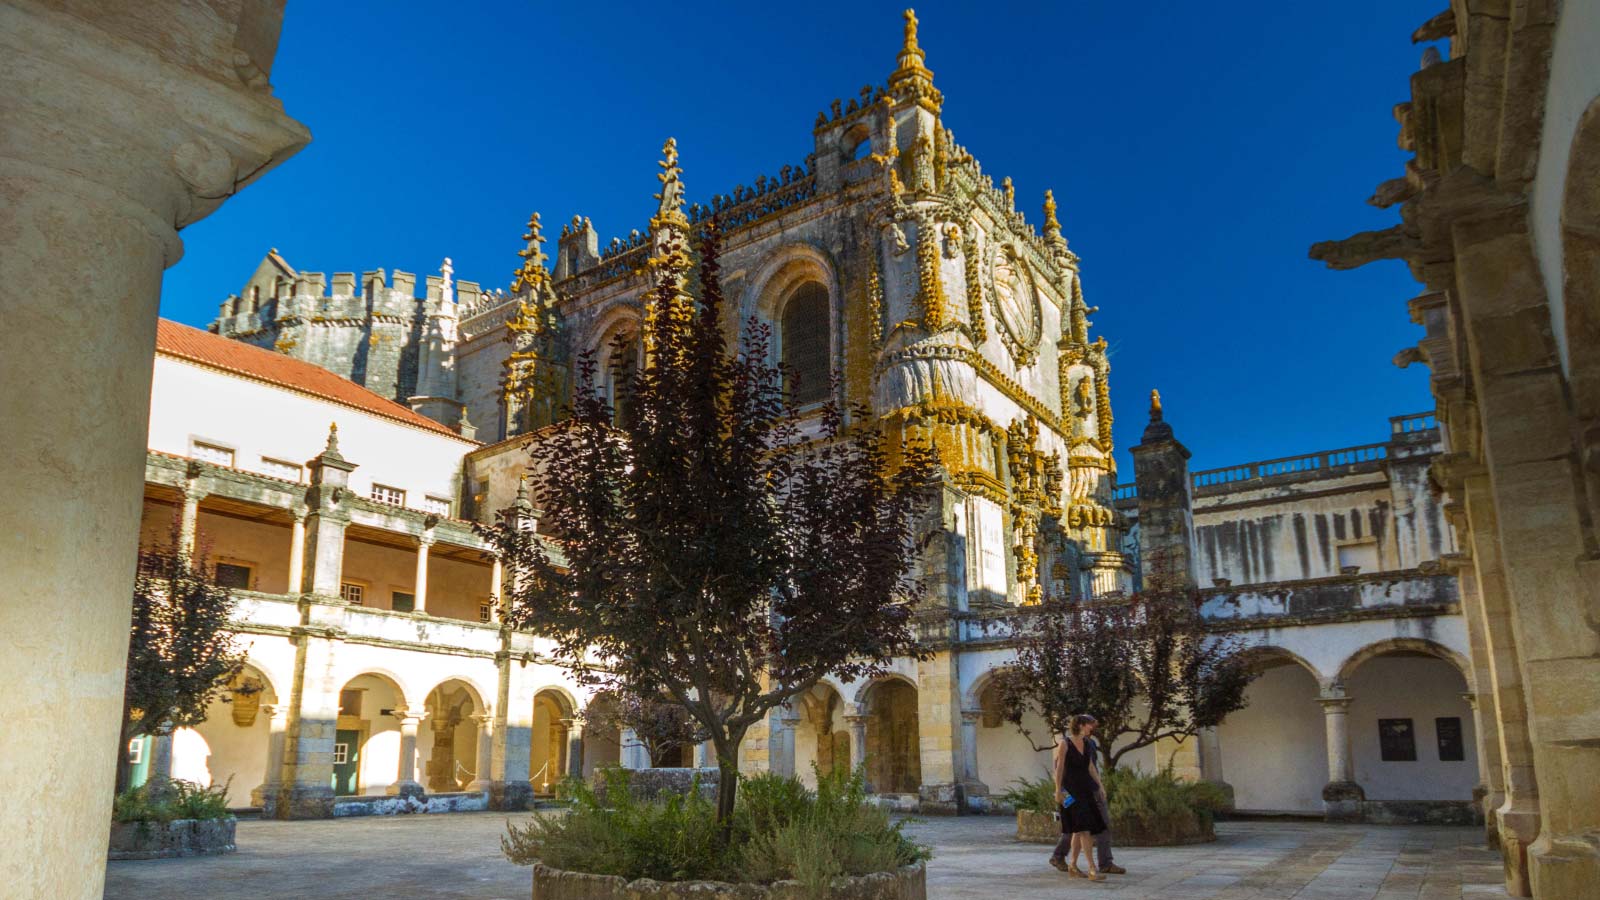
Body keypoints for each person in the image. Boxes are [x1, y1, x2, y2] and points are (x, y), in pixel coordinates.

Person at [1048, 713, 1107, 881]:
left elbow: (1090, 767)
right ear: (1081, 725)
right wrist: (1058, 790)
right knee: (1084, 829)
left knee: (1079, 830)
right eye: (1089, 724)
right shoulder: (1064, 744)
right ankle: (1092, 868)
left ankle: (1073, 865)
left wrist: (1100, 785)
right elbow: (1059, 769)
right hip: (1070, 791)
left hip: (1085, 789)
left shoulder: (1088, 743)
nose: (1092, 727)